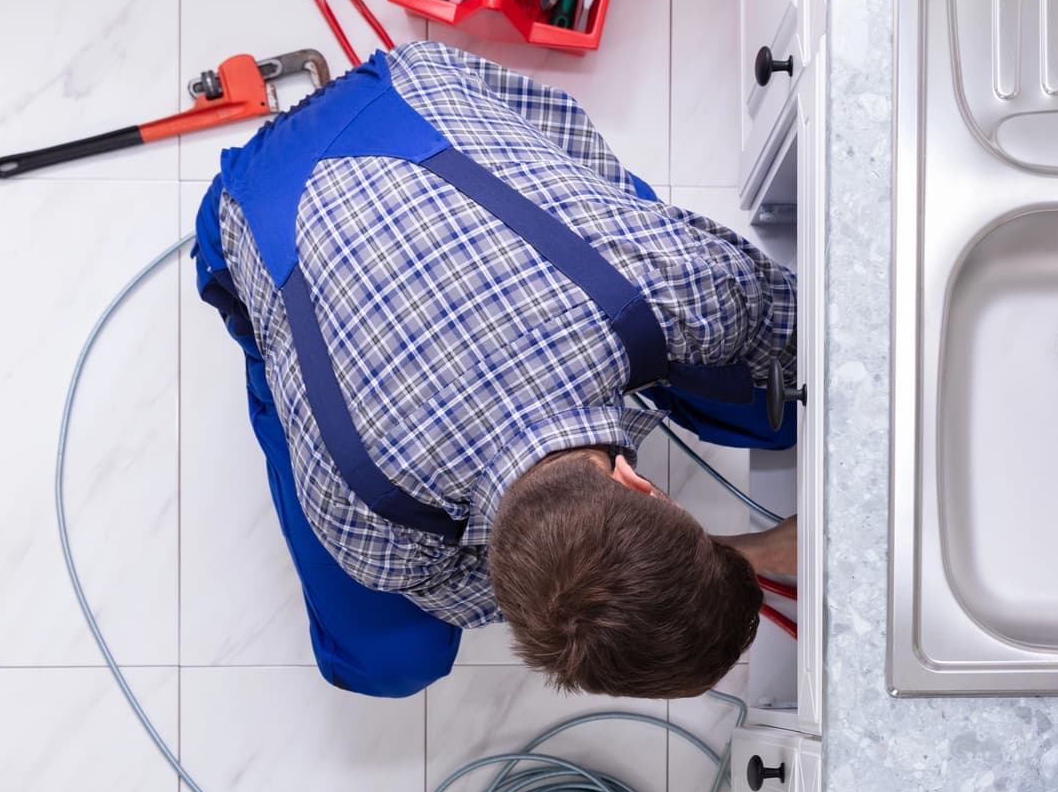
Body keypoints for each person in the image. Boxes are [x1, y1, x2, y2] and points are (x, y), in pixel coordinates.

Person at [192, 41, 797, 700]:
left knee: (776, 403)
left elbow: (784, 316)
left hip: (408, 88)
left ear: (644, 486)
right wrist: (749, 551)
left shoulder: (676, 281)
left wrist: (740, 555)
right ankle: (265, 358)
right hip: (246, 210)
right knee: (386, 661)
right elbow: (526, 591)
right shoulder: (372, 529)